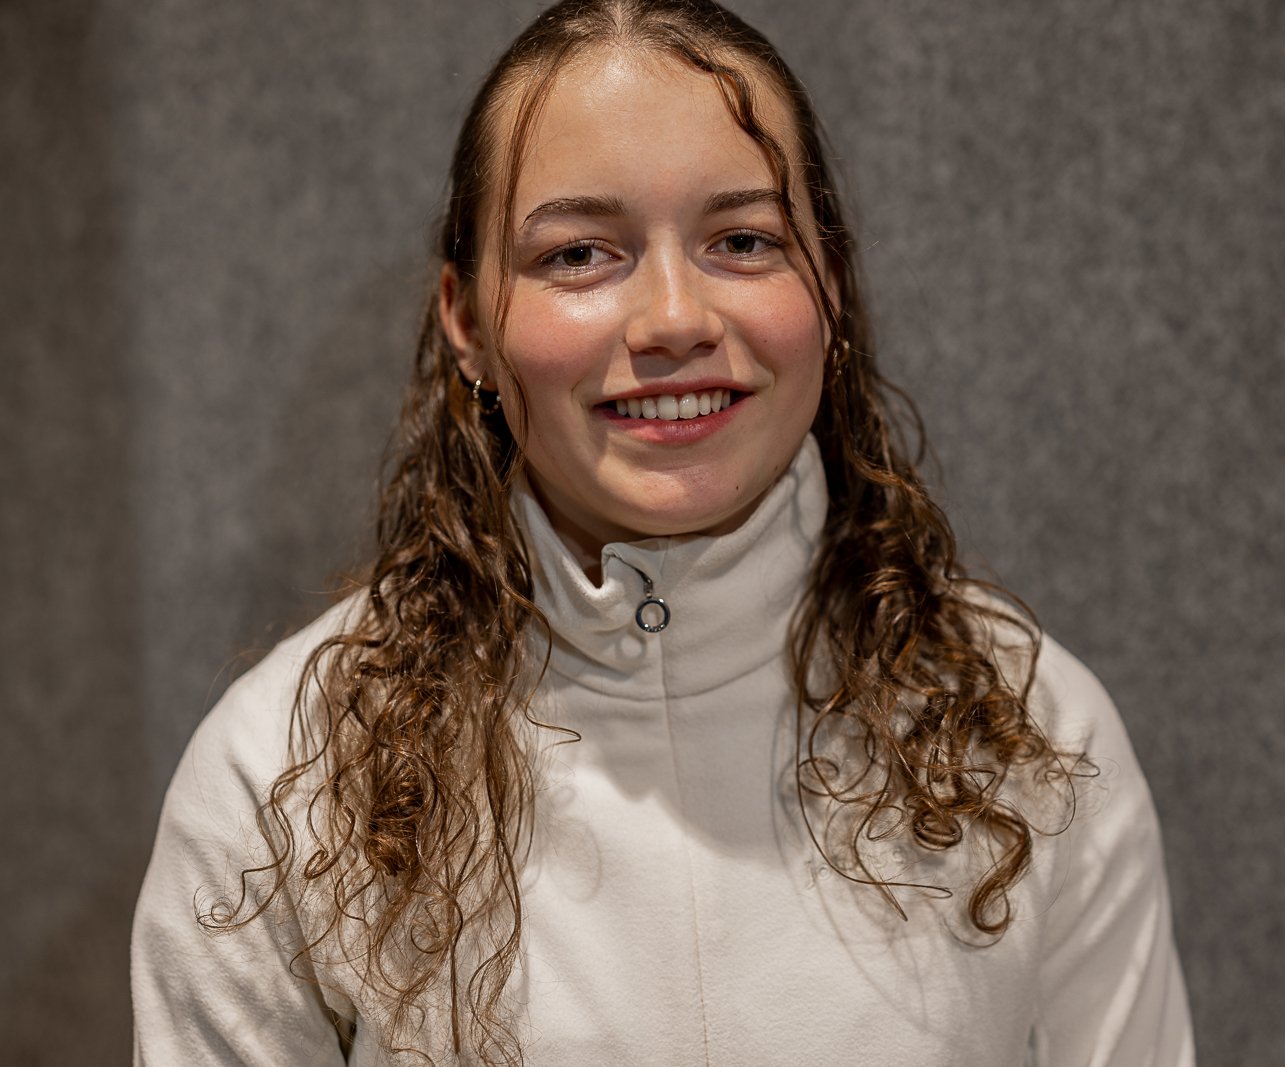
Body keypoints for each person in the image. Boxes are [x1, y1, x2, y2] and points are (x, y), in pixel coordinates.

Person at [131, 1, 1194, 1063]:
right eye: (579, 254)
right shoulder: (279, 780)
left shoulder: (1032, 729)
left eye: (744, 240)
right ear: (466, 322)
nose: (676, 318)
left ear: (830, 287)